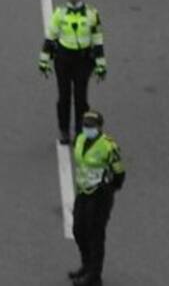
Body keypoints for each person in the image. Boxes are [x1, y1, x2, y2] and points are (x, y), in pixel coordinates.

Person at [38, 0, 106, 145]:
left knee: (81, 97)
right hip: (63, 59)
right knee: (64, 96)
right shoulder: (59, 14)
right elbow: (50, 38)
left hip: (83, 60)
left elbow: (97, 40)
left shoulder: (92, 14)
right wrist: (44, 61)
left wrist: (101, 64)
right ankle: (64, 130)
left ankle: (80, 131)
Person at [69, 109, 125, 286]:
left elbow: (119, 173)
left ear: (99, 127)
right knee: (78, 229)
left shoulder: (108, 146)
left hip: (100, 195)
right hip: (83, 191)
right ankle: (86, 265)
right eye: (85, 125)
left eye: (91, 126)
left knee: (95, 234)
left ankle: (94, 275)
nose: (87, 128)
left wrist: (108, 188)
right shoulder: (79, 139)